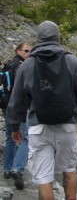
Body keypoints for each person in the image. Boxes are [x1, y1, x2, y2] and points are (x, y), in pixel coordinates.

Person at [6, 20, 77, 200]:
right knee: (69, 170)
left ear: (38, 38)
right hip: (67, 126)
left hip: (39, 127)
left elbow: (17, 101)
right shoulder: (72, 61)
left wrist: (14, 127)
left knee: (44, 178)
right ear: (58, 37)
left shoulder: (27, 65)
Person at [2, 43, 31, 190]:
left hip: (6, 106)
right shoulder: (21, 66)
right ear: (18, 51)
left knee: (10, 138)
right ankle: (17, 169)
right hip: (19, 108)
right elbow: (26, 87)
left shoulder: (8, 65)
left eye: (30, 52)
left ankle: (6, 169)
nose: (28, 54)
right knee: (26, 138)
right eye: (26, 51)